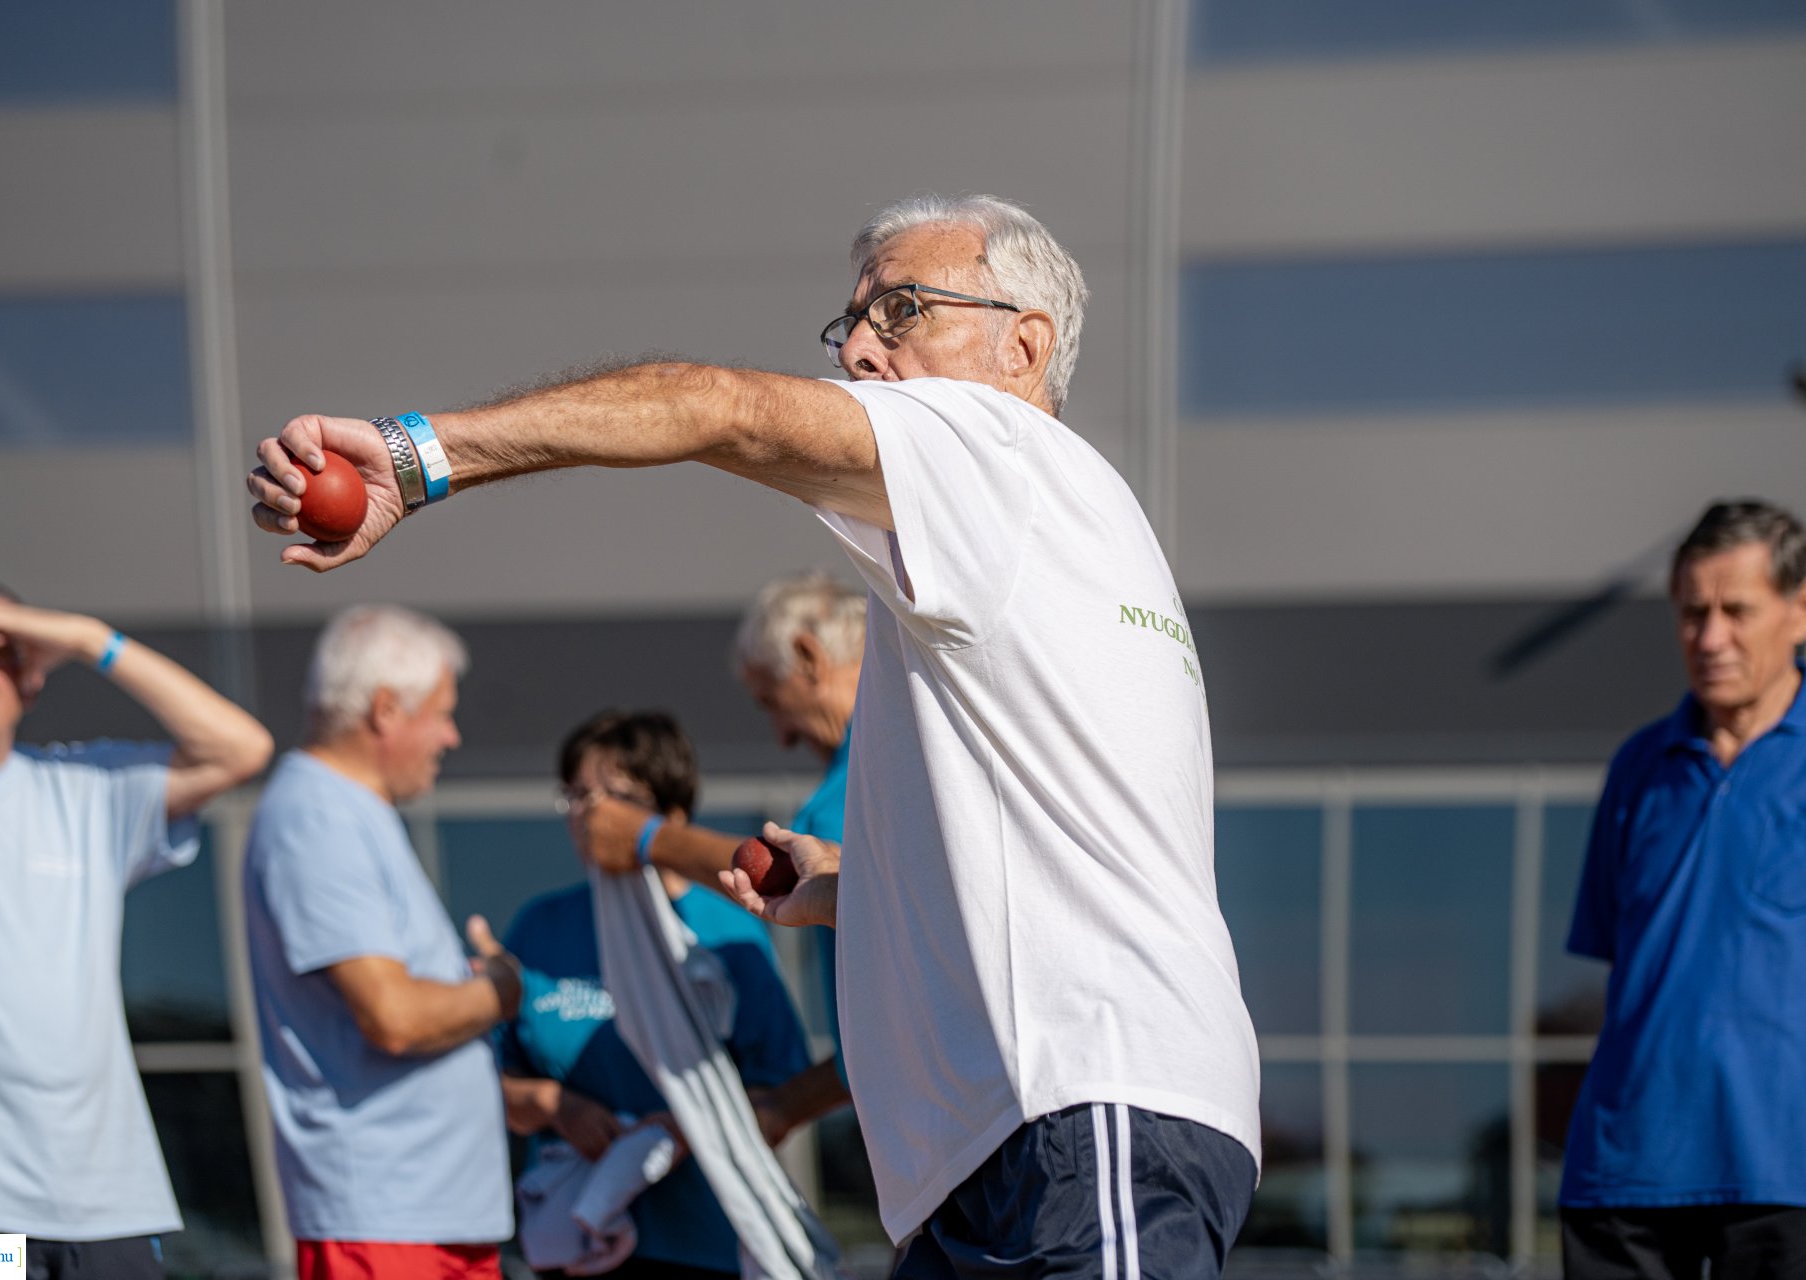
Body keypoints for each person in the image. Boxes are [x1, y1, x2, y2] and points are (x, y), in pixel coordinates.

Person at [249, 193, 1262, 1277]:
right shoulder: (1042, 534)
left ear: (1025, 346)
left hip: (1082, 1101)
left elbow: (717, 407)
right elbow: (1058, 853)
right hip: (1012, 1137)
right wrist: (847, 882)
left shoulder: (998, 449)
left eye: (905, 307)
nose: (864, 346)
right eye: (854, 319)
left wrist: (416, 455)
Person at [0, 572, 274, 1277]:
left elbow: (240, 748)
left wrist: (86, 637)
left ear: (32, 675)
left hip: (108, 1208)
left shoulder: (87, 787)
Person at [1560, 499, 1806, 1279]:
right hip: (1624, 1173)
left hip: (1784, 1173)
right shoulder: (1639, 768)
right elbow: (1616, 958)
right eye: (1692, 613)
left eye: (1736, 611)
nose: (1710, 639)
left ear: (1800, 612)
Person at [243, 605, 518, 1280]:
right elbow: (393, 1017)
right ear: (386, 709)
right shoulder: (318, 818)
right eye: (442, 712)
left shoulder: (346, 811)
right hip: (389, 1228)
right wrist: (502, 991)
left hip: (417, 1219)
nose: (451, 736)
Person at [497, 709, 811, 1279]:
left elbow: (782, 1088)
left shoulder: (725, 931)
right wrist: (554, 1105)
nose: (590, 815)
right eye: (576, 795)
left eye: (614, 796)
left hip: (702, 1244)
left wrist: (689, 1127)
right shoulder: (540, 927)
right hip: (573, 1242)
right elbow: (490, 1080)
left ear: (671, 815)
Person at [571, 572, 863, 1142]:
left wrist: (645, 837)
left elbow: (780, 879)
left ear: (809, 657)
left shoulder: (867, 779)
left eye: (771, 702)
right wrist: (781, 1107)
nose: (780, 735)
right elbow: (883, 1025)